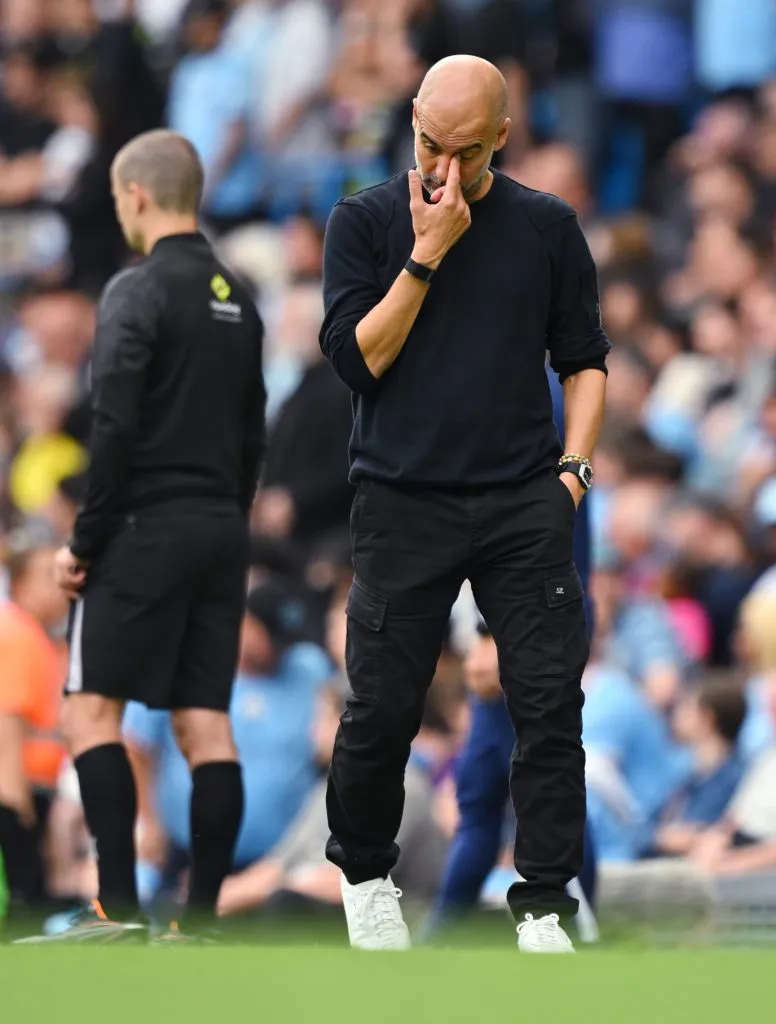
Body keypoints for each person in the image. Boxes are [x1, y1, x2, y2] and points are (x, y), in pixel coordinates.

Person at [319, 54, 610, 952]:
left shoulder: (546, 226)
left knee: (548, 701)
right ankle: (367, 877)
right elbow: (356, 361)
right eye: (429, 146)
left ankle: (549, 907)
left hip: (523, 495)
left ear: (503, 138)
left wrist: (573, 473)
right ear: (411, 121)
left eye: (467, 152)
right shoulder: (364, 221)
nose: (444, 170)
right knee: (381, 707)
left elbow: (586, 360)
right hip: (403, 498)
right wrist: (425, 256)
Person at [16, 129, 266, 944]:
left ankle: (115, 910)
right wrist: (230, 515)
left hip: (144, 525)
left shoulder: (134, 289)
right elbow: (252, 429)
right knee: (205, 725)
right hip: (223, 527)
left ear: (134, 196)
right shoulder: (240, 294)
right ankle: (200, 927)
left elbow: (114, 424)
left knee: (89, 715)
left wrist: (84, 543)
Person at [431, 365, 599, 935]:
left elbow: (525, 528)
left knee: (540, 780)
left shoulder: (528, 388)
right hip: (530, 608)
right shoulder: (541, 382)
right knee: (490, 787)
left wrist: (491, 633)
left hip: (529, 611)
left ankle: (581, 931)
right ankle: (439, 943)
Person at [0, 541, 69, 916]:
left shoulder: (36, 637)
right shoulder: (19, 636)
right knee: (23, 901)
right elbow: (7, 722)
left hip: (30, 789)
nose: (59, 585)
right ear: (20, 585)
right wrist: (16, 807)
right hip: (16, 795)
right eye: (47, 576)